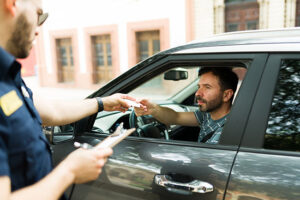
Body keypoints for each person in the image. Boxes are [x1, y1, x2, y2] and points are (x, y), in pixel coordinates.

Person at [0, 0, 137, 199]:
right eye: (38, 14)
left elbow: (53, 111)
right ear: (12, 4)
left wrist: (102, 103)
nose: (39, 29)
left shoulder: (9, 76)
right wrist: (69, 171)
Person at [134, 67, 239, 144]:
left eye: (207, 87)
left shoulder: (225, 132)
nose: (197, 93)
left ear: (226, 95)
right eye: (199, 87)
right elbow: (176, 117)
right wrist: (153, 109)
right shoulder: (207, 115)